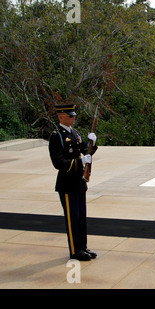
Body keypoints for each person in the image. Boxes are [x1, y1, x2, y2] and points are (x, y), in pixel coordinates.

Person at [48, 104, 98, 261]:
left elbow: (85, 150)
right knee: (72, 218)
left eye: (74, 115)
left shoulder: (75, 134)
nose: (73, 118)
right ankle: (75, 251)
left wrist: (92, 143)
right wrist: (79, 161)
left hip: (79, 182)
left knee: (81, 217)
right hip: (67, 183)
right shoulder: (57, 136)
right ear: (61, 116)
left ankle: (82, 247)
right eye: (70, 116)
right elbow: (58, 162)